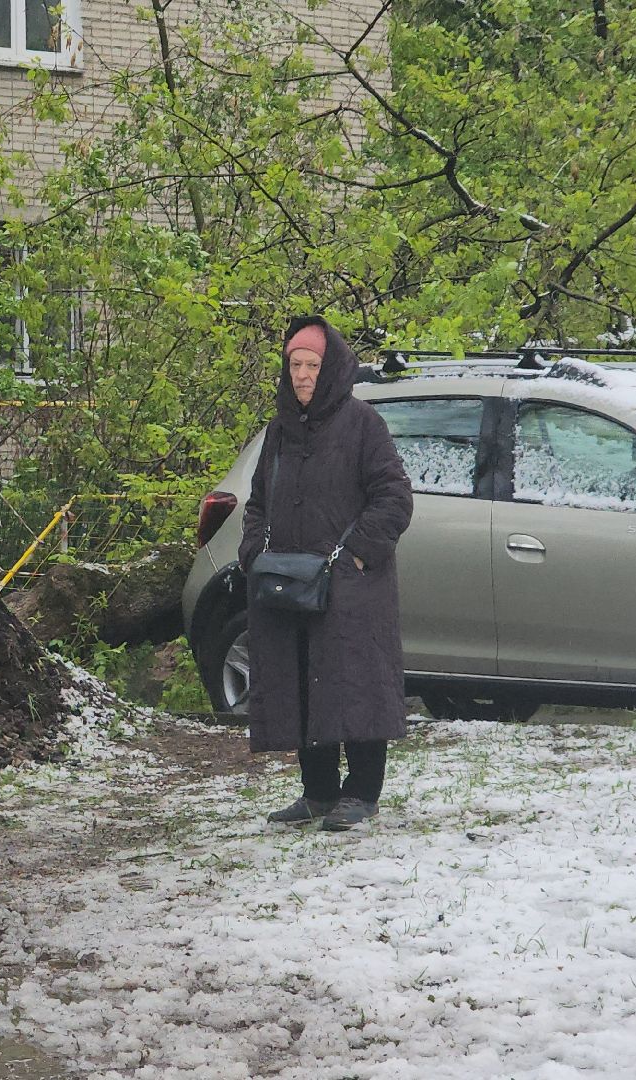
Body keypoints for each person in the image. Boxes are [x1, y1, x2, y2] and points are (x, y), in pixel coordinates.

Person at [238, 317, 414, 832]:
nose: (302, 375)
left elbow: (394, 497)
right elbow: (258, 502)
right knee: (302, 681)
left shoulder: (362, 424)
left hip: (352, 588)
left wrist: (357, 554)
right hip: (290, 583)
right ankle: (318, 791)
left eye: (312, 365)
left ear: (331, 367)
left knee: (356, 683)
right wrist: (254, 552)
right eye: (294, 364)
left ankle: (361, 793)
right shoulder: (280, 429)